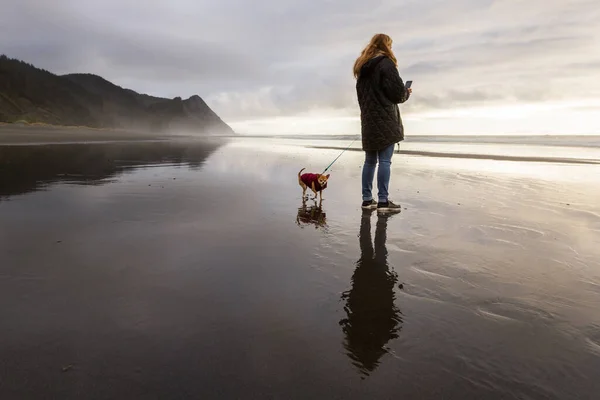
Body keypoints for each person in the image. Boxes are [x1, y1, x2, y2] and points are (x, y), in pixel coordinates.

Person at [354, 33, 412, 212]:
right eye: (390, 45)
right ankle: (383, 201)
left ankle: (366, 200)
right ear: (386, 45)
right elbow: (397, 94)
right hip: (385, 117)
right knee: (385, 160)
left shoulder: (362, 67)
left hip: (368, 119)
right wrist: (406, 92)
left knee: (370, 161)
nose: (391, 49)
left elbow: (363, 96)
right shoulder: (386, 63)